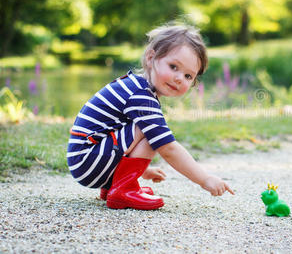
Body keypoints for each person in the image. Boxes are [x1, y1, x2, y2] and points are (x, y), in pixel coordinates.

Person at [67, 23, 234, 210]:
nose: (179, 78)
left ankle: (117, 186)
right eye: (173, 66)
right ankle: (122, 190)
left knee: (151, 128)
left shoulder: (136, 87)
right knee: (154, 134)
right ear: (151, 57)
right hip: (88, 161)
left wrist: (142, 170)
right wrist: (205, 179)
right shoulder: (140, 95)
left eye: (188, 76)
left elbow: (116, 131)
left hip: (88, 159)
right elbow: (168, 148)